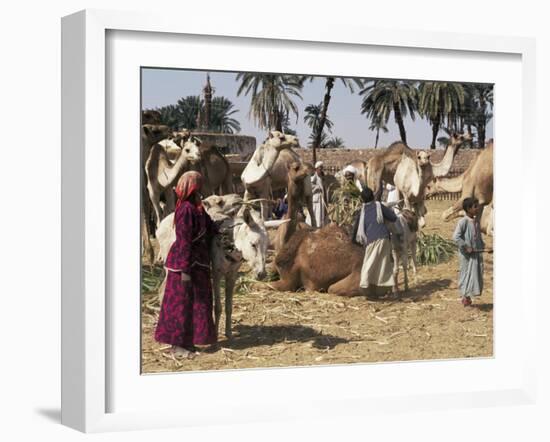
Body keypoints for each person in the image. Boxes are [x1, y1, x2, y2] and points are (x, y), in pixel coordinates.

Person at [154, 171, 219, 358]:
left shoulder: (198, 208)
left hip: (198, 263)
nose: (202, 187)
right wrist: (185, 270)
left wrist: (220, 230)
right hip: (185, 265)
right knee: (180, 305)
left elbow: (209, 226)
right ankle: (177, 346)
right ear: (193, 187)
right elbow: (184, 241)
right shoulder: (185, 210)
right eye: (200, 184)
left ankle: (189, 342)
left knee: (197, 304)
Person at [351, 186, 397, 292]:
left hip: (372, 240)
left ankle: (365, 286)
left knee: (369, 263)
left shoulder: (361, 211)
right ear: (373, 196)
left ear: (362, 200)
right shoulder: (379, 206)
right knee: (383, 265)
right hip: (384, 238)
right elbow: (393, 218)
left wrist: (352, 241)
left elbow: (355, 228)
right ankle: (381, 289)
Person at [452, 197, 485, 307]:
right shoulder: (463, 222)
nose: (477, 208)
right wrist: (466, 246)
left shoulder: (476, 222)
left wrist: (484, 247)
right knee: (466, 274)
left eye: (477, 206)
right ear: (468, 208)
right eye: (475, 207)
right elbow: (456, 237)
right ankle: (465, 297)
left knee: (474, 274)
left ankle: (468, 296)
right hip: (466, 255)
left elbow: (478, 237)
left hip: (475, 254)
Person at [309, 161, 327, 227]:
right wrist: (317, 188)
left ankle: (320, 225)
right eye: (320, 168)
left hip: (321, 198)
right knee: (315, 211)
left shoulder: (322, 177)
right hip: (316, 198)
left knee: (321, 213)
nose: (321, 169)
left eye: (322, 168)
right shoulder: (313, 178)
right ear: (316, 169)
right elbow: (310, 187)